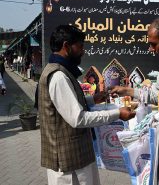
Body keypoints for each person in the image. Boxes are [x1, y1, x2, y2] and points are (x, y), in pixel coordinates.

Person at [38, 25, 135, 185]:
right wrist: (118, 114)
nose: (83, 51)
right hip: (68, 162)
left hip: (76, 156)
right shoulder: (58, 76)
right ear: (66, 46)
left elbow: (67, 104)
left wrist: (93, 99)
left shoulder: (63, 71)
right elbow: (78, 118)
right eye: (80, 46)